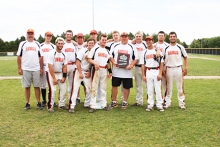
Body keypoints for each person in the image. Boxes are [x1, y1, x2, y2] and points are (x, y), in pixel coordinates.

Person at [110, 32, 139, 110]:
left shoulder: (132, 46)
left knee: (126, 87)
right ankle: (114, 101)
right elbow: (110, 56)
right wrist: (114, 62)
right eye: (122, 36)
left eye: (125, 36)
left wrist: (131, 65)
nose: (124, 38)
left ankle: (124, 102)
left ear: (128, 37)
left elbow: (136, 58)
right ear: (120, 37)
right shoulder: (115, 45)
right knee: (114, 86)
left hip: (127, 71)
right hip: (116, 70)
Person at [17, 29, 43, 110]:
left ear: (34, 34)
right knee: (27, 86)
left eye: (31, 33)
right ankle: (27, 103)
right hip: (26, 68)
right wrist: (19, 68)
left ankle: (38, 102)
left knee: (37, 86)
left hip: (36, 68)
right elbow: (18, 56)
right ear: (26, 34)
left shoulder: (37, 44)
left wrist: (41, 68)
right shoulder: (23, 43)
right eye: (29, 33)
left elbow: (41, 57)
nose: (30, 35)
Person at [162, 32, 188, 110]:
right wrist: (162, 70)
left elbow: (185, 57)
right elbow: (162, 60)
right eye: (171, 36)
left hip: (178, 68)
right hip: (169, 68)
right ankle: (167, 102)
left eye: (174, 36)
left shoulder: (180, 47)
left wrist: (186, 67)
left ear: (176, 37)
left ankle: (181, 103)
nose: (172, 38)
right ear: (169, 38)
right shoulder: (166, 48)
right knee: (168, 86)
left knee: (180, 86)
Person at [69, 38, 95, 113]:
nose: (91, 45)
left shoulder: (93, 52)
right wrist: (80, 72)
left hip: (87, 72)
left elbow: (91, 63)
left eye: (92, 43)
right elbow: (77, 61)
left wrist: (90, 71)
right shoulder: (82, 51)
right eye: (89, 43)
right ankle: (72, 106)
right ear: (87, 43)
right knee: (75, 89)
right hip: (79, 71)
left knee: (89, 89)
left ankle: (87, 104)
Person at [87, 34, 112, 113]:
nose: (104, 41)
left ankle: (103, 104)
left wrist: (110, 71)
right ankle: (92, 105)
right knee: (94, 88)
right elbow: (89, 58)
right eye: (102, 40)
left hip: (104, 70)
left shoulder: (107, 50)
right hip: (97, 69)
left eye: (105, 40)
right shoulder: (95, 48)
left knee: (103, 88)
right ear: (99, 40)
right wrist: (95, 63)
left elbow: (108, 62)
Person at [141, 36, 164, 112]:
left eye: (150, 40)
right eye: (147, 41)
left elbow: (161, 63)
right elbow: (143, 64)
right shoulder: (144, 52)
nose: (148, 42)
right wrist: (143, 75)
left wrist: (160, 73)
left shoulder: (157, 51)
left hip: (156, 70)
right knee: (149, 89)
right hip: (148, 70)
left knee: (158, 89)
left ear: (152, 41)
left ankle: (159, 104)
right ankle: (150, 104)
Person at [47, 37, 68, 112]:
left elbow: (65, 66)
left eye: (62, 43)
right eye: (59, 43)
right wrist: (54, 78)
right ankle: (50, 106)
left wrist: (64, 77)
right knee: (53, 90)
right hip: (51, 73)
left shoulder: (64, 54)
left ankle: (62, 104)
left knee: (63, 89)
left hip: (60, 72)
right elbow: (50, 66)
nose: (60, 45)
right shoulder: (51, 53)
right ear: (56, 44)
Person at [131, 31, 147, 106]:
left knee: (147, 85)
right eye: (136, 36)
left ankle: (150, 101)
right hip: (136, 67)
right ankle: (139, 101)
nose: (138, 38)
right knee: (138, 85)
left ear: (142, 37)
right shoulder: (133, 44)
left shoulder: (145, 44)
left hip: (145, 67)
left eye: (139, 36)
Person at [40, 31, 55, 107]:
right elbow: (39, 57)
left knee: (51, 84)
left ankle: (51, 100)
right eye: (47, 36)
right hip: (43, 65)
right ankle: (44, 100)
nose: (48, 37)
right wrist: (40, 68)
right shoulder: (41, 45)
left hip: (51, 66)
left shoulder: (53, 46)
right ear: (44, 36)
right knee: (43, 84)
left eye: (50, 36)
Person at [153, 31, 169, 100]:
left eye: (162, 35)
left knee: (165, 84)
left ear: (164, 37)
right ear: (157, 36)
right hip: (156, 66)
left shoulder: (167, 45)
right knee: (156, 84)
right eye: (159, 35)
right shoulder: (154, 45)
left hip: (164, 66)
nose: (161, 36)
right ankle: (159, 99)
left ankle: (165, 99)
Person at [62, 30, 78, 100]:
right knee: (62, 84)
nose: (69, 36)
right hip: (64, 65)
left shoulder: (74, 45)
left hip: (72, 65)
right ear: (65, 35)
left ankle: (70, 100)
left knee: (71, 84)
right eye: (67, 34)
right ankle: (62, 102)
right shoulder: (62, 44)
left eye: (70, 34)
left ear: (72, 36)